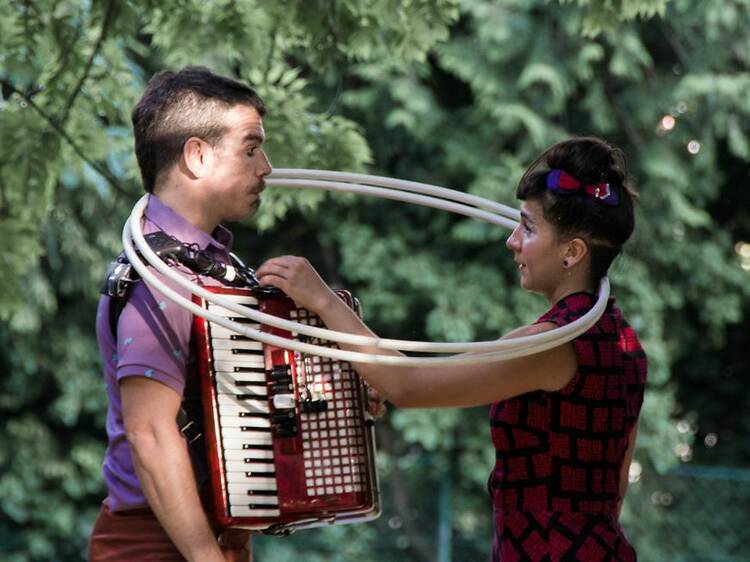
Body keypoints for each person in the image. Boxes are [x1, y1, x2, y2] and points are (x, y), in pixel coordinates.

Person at [256, 136, 648, 561]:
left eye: (529, 227)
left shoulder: (552, 343)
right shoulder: (620, 337)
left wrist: (323, 301)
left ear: (572, 252)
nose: (512, 240)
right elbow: (616, 484)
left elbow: (410, 385)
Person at [90, 66, 273, 562]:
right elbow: (150, 432)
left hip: (206, 536)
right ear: (197, 155)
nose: (267, 169)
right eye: (251, 149)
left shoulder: (214, 267)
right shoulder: (161, 279)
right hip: (156, 542)